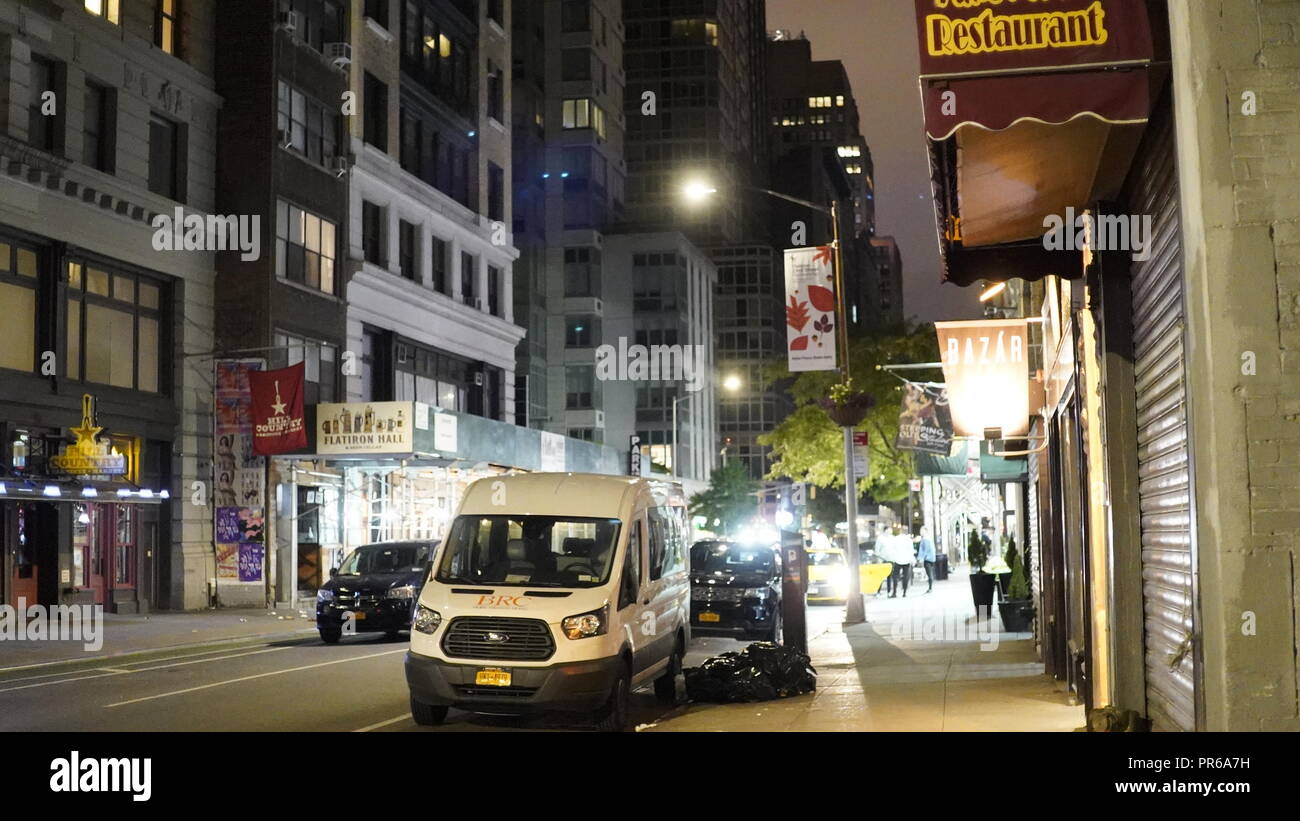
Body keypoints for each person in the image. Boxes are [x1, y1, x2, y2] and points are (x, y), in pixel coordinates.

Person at [883, 525, 913, 598]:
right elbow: (911, 550)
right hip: (906, 560)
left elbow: (893, 549)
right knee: (906, 576)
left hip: (897, 560)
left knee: (895, 576)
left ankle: (894, 592)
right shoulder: (909, 539)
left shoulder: (896, 539)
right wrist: (911, 559)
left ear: (901, 531)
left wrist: (893, 557)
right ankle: (904, 592)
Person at [916, 527, 937, 593]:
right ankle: (930, 587)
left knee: (929, 573)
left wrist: (921, 558)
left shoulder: (925, 539)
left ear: (925, 531)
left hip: (927, 559)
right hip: (931, 558)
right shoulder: (929, 538)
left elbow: (925, 550)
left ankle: (930, 588)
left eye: (922, 530)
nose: (920, 532)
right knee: (930, 573)